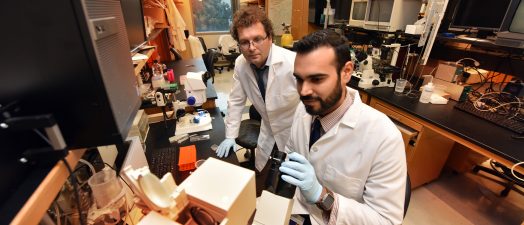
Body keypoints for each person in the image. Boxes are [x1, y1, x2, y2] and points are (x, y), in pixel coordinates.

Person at [279, 29, 407, 224]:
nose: (303, 91)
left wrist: (322, 196)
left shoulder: (384, 137)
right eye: (299, 79)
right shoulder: (304, 109)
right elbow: (292, 153)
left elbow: (386, 220)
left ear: (346, 71)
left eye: (317, 79)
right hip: (296, 211)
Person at [216, 6, 300, 172]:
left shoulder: (293, 63)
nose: (251, 47)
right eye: (245, 42)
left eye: (257, 39)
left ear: (269, 37)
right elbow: (236, 101)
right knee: (264, 176)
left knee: (291, 184)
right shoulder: (241, 63)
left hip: (295, 133)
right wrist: (230, 136)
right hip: (268, 129)